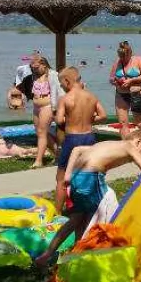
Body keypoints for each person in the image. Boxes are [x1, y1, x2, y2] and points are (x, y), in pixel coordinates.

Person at [34, 126, 141, 270]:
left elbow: (77, 150)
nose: (136, 158)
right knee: (106, 209)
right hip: (91, 177)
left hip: (77, 176)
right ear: (138, 142)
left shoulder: (107, 144)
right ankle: (91, 253)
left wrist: (68, 174)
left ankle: (50, 254)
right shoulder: (129, 146)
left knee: (77, 219)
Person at [54, 67, 107, 210]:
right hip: (89, 138)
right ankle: (89, 208)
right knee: (86, 174)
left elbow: (59, 120)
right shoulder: (91, 96)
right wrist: (89, 119)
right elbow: (103, 115)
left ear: (67, 81)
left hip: (72, 139)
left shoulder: (65, 98)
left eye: (61, 84)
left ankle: (57, 213)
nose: (61, 87)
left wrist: (69, 120)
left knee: (61, 178)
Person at [29, 55, 64, 169]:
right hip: (36, 106)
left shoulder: (53, 75)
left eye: (36, 67)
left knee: (42, 132)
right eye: (32, 67)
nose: (34, 69)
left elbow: (59, 91)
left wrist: (56, 108)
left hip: (47, 106)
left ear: (44, 65)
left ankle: (39, 160)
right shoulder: (34, 75)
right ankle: (58, 154)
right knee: (39, 132)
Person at [109, 41, 141, 132]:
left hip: (137, 93)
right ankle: (127, 140)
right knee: (123, 124)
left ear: (130, 54)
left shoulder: (138, 59)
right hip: (121, 94)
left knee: (140, 123)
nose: (123, 59)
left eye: (124, 57)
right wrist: (115, 82)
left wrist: (131, 80)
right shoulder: (117, 61)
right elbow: (111, 77)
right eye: (121, 57)